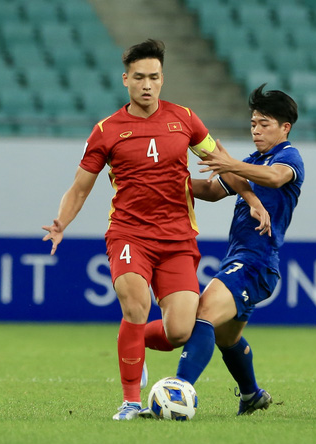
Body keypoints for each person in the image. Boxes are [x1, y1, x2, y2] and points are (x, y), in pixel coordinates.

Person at [42, 39, 269, 421]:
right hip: (129, 235)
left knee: (180, 330)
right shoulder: (107, 130)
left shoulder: (185, 119)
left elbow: (224, 162)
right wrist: (62, 222)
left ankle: (133, 347)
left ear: (162, 79)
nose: (148, 84)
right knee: (135, 305)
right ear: (126, 79)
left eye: (155, 77)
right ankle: (131, 402)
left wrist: (251, 198)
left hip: (178, 239)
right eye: (140, 77)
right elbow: (81, 186)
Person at [147, 84, 304, 415]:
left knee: (203, 313)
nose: (256, 130)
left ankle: (178, 391)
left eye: (264, 123)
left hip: (257, 262)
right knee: (226, 338)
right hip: (241, 259)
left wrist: (230, 164)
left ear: (284, 128)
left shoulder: (287, 157)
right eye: (253, 123)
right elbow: (212, 190)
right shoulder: (252, 160)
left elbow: (274, 179)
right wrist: (160, 181)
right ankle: (252, 396)